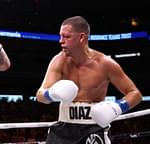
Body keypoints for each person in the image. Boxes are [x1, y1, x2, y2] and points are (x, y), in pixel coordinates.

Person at [36, 16, 142, 144]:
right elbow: (40, 95)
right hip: (63, 129)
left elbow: (135, 94)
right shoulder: (59, 61)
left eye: (66, 37)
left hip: (93, 129)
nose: (61, 41)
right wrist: (51, 94)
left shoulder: (105, 63)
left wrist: (117, 107)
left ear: (81, 37)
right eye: (60, 36)